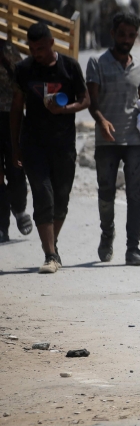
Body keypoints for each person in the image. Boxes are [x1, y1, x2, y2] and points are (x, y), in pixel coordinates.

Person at [11, 22, 90, 274]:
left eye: (42, 48)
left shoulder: (69, 67)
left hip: (63, 144)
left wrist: (64, 109)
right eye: (33, 49)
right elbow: (16, 109)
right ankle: (50, 254)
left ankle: (52, 246)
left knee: (61, 200)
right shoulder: (23, 70)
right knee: (43, 195)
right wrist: (15, 147)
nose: (38, 54)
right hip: (33, 144)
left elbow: (85, 99)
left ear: (51, 44)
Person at [86, 12, 140, 266]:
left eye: (132, 35)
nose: (127, 39)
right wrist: (101, 121)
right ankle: (107, 234)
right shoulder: (96, 63)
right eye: (122, 34)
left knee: (135, 195)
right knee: (106, 192)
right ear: (113, 34)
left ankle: (133, 248)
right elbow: (92, 102)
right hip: (107, 140)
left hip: (135, 140)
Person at [0, 35, 31, 243]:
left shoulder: (7, 49)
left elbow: (24, 77)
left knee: (16, 169)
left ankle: (19, 209)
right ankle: (2, 226)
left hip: (11, 117)